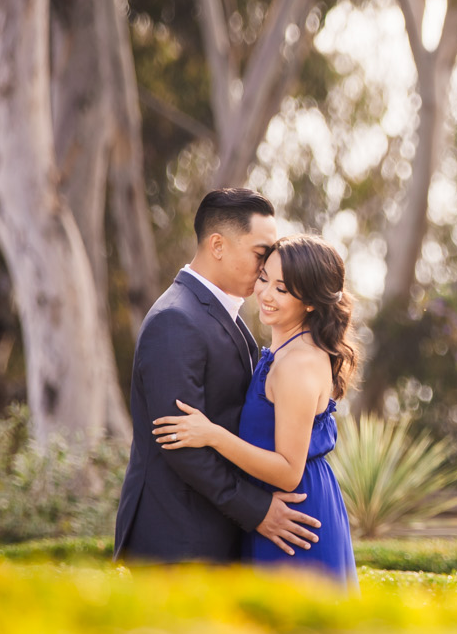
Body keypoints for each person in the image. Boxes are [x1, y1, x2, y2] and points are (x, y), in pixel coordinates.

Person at [114, 188, 322, 563]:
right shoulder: (175, 320)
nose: (265, 269)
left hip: (213, 533)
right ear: (218, 245)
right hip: (178, 541)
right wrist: (258, 510)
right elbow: (180, 445)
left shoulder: (227, 316)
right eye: (261, 254)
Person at [153, 233, 360, 588]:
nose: (265, 294)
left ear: (309, 301)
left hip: (294, 516)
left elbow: (287, 472)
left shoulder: (298, 364)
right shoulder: (284, 348)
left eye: (282, 289)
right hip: (276, 509)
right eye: (264, 278)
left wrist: (213, 435)